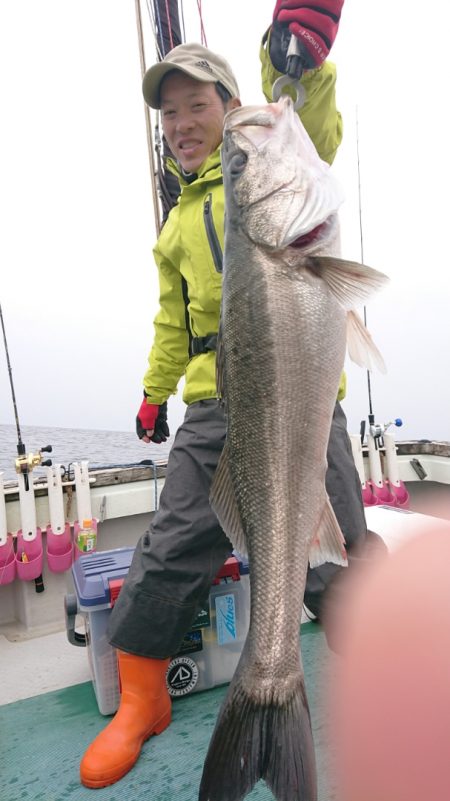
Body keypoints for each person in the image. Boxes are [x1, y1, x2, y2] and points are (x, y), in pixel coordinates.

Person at [80, 0, 374, 788]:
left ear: (230, 107)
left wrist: (302, 56)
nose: (181, 123)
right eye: (168, 114)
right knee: (169, 547)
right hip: (215, 405)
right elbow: (171, 325)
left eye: (198, 105)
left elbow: (303, 108)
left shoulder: (268, 157)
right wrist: (154, 393)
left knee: (343, 556)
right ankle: (141, 700)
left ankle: (385, 675)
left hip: (302, 403)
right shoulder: (174, 225)